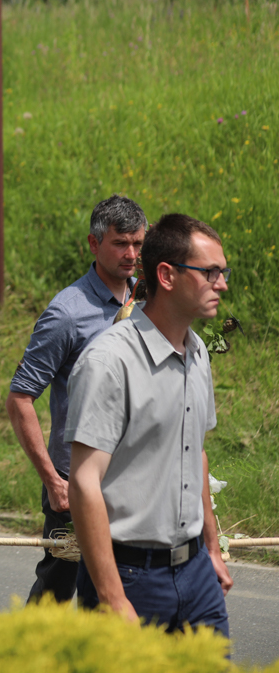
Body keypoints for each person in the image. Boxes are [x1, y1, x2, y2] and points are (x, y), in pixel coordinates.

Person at [67, 213, 233, 634]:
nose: (223, 284)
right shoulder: (108, 362)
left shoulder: (198, 354)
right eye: (211, 272)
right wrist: (111, 595)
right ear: (167, 275)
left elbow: (196, 454)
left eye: (223, 272)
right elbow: (84, 482)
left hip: (197, 574)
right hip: (128, 578)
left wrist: (211, 549)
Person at [5, 194, 147, 603]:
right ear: (93, 244)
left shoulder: (146, 302)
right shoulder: (67, 313)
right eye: (121, 243)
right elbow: (20, 399)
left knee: (116, 593)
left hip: (131, 481)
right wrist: (53, 480)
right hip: (77, 483)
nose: (131, 254)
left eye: (138, 244)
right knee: (57, 589)